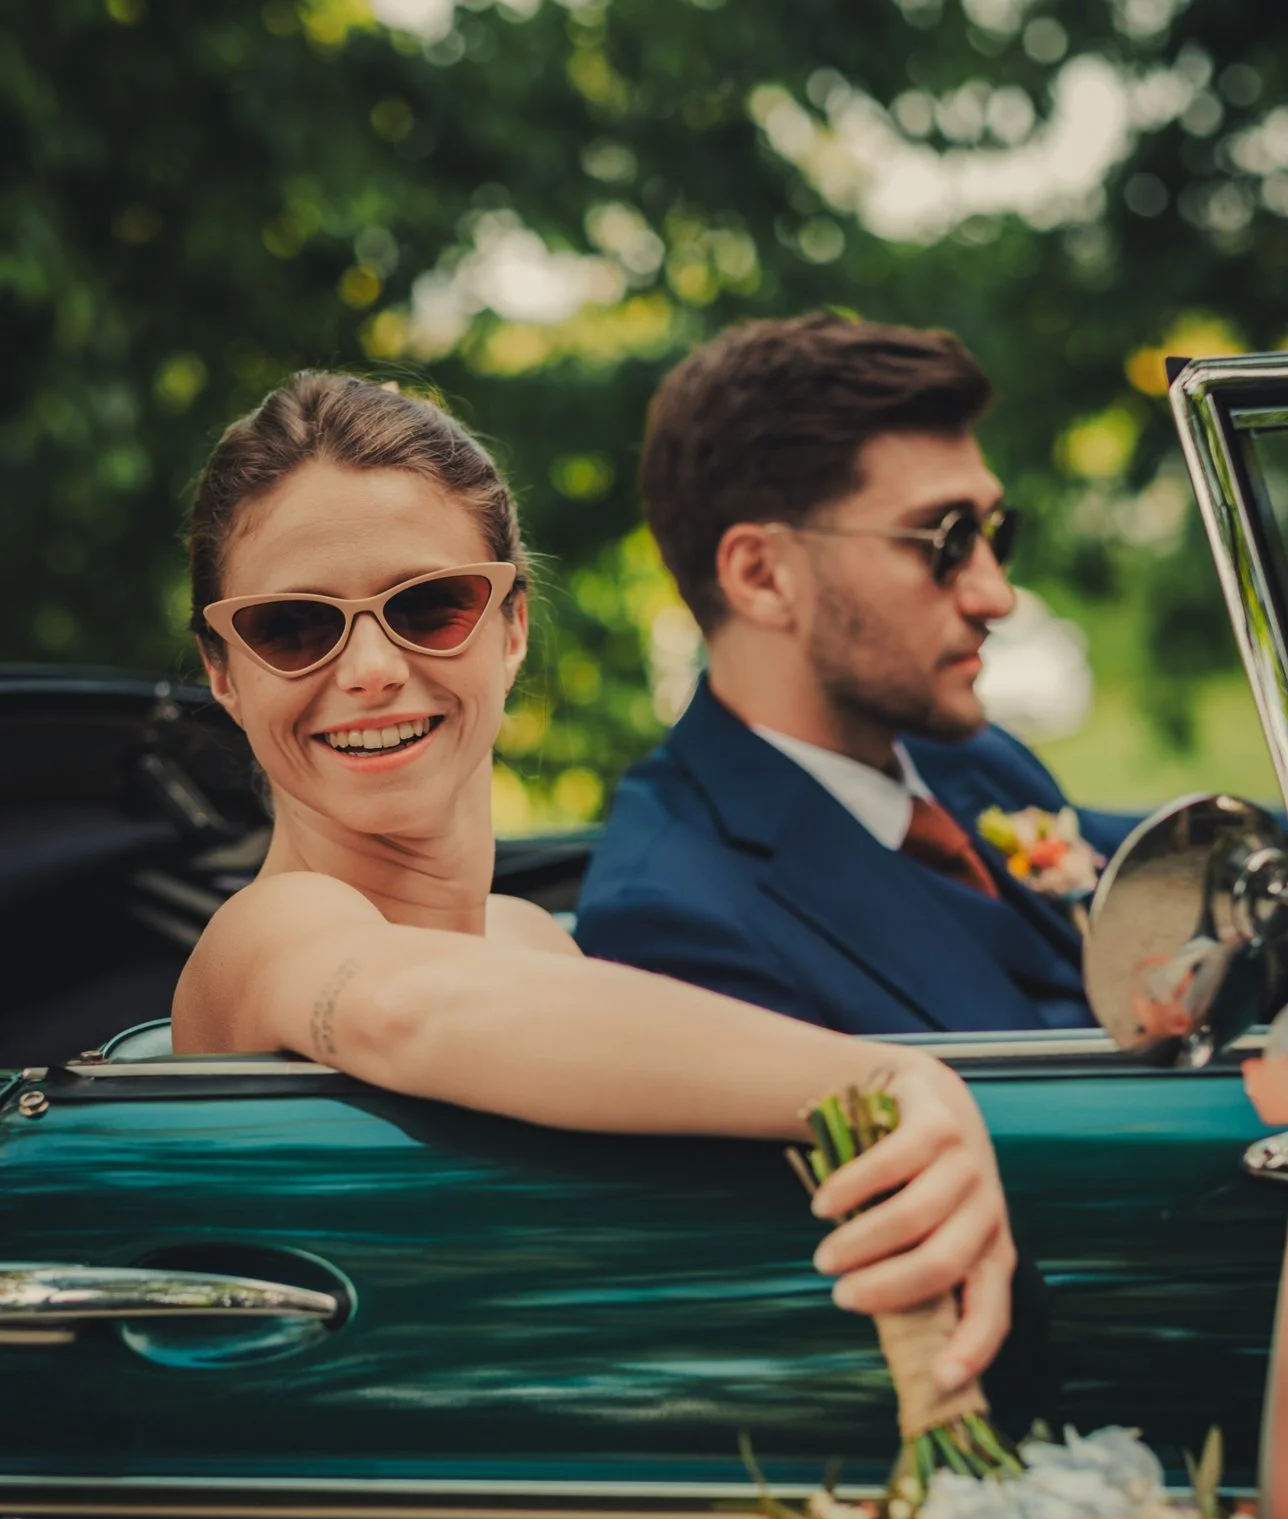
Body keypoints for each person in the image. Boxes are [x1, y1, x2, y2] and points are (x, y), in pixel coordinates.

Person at [171, 370, 1014, 1393]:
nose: (371, 669)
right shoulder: (268, 931)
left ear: (511, 627)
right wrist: (883, 1084)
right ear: (224, 672)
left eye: (431, 606)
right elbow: (402, 1010)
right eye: (294, 628)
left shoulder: (532, 941)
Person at [575, 312, 1137, 1035]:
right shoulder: (676, 922)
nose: (996, 595)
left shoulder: (967, 758)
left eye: (992, 534)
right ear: (762, 576)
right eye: (946, 539)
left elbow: (1155, 866)